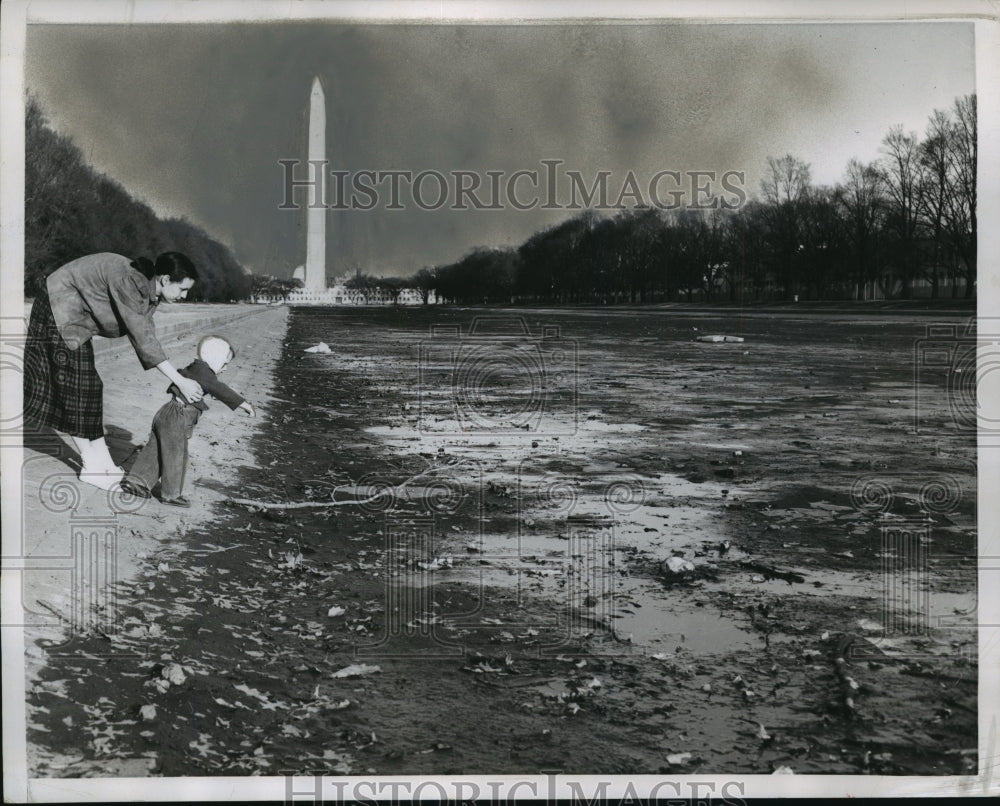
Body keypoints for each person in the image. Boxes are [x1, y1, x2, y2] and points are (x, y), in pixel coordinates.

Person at [23, 252, 205, 490]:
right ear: (165, 279)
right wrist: (180, 380)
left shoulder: (148, 290)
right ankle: (91, 467)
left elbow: (145, 332)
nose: (185, 296)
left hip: (73, 318)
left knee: (91, 387)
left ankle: (104, 464)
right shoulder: (130, 282)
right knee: (76, 390)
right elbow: (143, 338)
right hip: (57, 308)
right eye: (182, 289)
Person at [121, 336, 255, 507]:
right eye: (224, 363)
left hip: (166, 412)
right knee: (176, 455)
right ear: (214, 357)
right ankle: (171, 494)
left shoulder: (196, 368)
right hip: (178, 416)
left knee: (155, 449)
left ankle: (136, 481)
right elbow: (223, 391)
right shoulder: (206, 373)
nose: (225, 368)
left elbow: (187, 377)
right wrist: (245, 406)